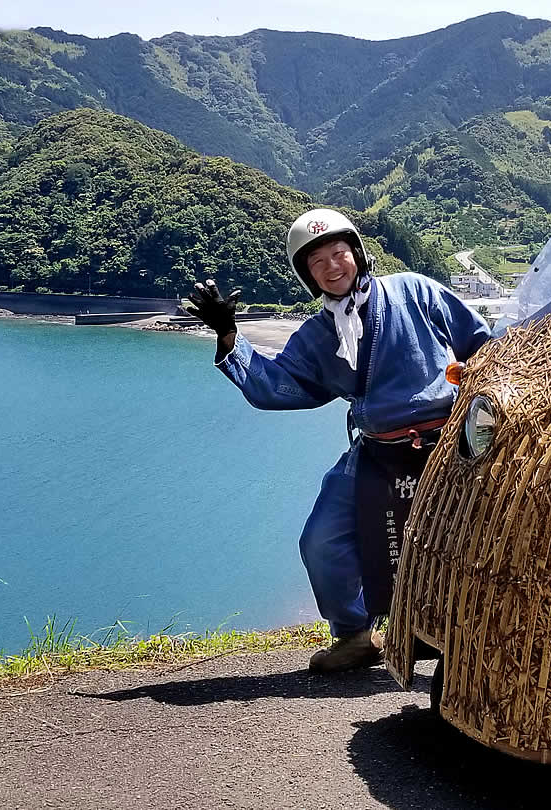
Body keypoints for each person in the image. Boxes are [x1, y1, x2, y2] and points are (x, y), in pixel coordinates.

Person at [187, 208, 491, 672]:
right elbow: (277, 385)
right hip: (376, 452)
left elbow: (482, 342)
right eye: (317, 262)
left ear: (357, 252)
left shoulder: (414, 290)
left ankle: (471, 636)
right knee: (322, 541)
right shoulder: (317, 336)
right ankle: (354, 635)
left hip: (450, 444)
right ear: (308, 277)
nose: (332, 266)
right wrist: (229, 335)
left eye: (338, 252)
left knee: (470, 543)